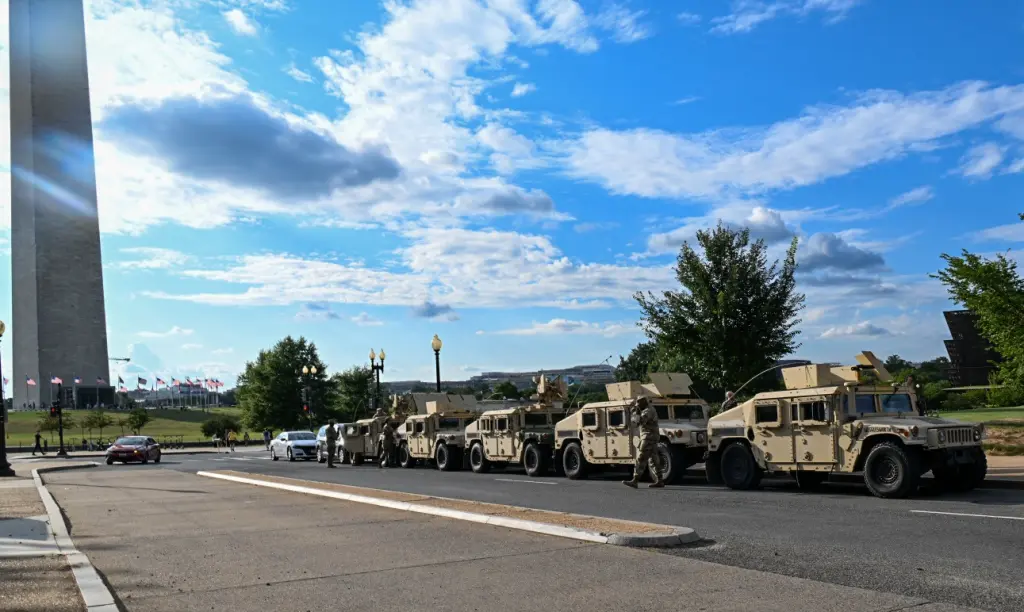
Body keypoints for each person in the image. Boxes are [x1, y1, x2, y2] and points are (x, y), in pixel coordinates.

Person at [623, 396, 665, 489]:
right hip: (652, 437)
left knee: (641, 458)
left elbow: (638, 422)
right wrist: (636, 413)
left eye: (639, 404)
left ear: (643, 403)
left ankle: (635, 480)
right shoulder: (649, 409)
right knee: (654, 460)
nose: (638, 406)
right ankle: (660, 480)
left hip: (648, 437)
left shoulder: (647, 411)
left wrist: (635, 413)